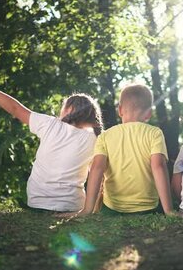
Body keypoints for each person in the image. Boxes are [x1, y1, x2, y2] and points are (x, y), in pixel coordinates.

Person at [0, 76, 102, 212]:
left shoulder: (49, 124)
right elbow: (98, 176)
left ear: (69, 109)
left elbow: (15, 108)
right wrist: (93, 210)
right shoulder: (95, 140)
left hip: (38, 203)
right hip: (72, 206)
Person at [65, 84, 174, 217]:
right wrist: (169, 210)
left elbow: (96, 169)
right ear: (149, 113)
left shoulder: (105, 136)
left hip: (112, 209)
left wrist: (87, 209)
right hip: (147, 208)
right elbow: (159, 167)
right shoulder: (154, 133)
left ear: (120, 110)